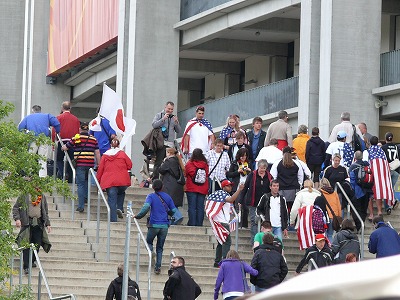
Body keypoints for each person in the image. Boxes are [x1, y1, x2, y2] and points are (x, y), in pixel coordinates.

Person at [134, 179, 177, 274]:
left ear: (153, 187)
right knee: (160, 247)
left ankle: (151, 251)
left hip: (154, 224)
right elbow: (174, 210)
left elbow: (146, 207)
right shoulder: (168, 197)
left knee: (148, 241)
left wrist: (138, 216)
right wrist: (167, 212)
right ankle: (158, 267)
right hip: (165, 225)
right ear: (162, 187)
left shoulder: (151, 196)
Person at [62, 122, 100, 212]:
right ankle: (85, 197)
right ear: (88, 130)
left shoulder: (76, 138)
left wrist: (63, 147)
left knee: (80, 184)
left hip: (80, 165)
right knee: (86, 181)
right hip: (90, 165)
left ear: (80, 129)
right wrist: (99, 164)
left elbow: (66, 147)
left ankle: (81, 205)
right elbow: (97, 153)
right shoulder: (93, 139)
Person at [207, 180, 244, 267]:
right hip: (222, 222)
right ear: (223, 187)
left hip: (219, 221)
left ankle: (217, 261)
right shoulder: (223, 194)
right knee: (227, 242)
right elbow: (231, 199)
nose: (230, 187)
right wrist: (239, 190)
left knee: (221, 242)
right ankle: (225, 260)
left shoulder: (218, 194)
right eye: (228, 186)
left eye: (231, 186)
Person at [13, 191, 51, 275]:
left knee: (37, 244)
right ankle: (26, 266)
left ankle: (32, 260)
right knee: (26, 244)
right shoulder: (24, 194)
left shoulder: (42, 195)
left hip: (38, 223)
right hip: (27, 222)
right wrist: (17, 219)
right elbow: (16, 208)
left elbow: (45, 210)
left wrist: (48, 223)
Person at [18, 104, 61, 177]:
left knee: (30, 157)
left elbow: (20, 128)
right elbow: (56, 123)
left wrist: (25, 136)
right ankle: (42, 177)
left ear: (33, 110)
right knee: (42, 159)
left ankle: (28, 175)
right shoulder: (47, 116)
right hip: (44, 139)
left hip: (32, 139)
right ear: (40, 110)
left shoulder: (28, 117)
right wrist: (57, 131)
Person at [96, 138, 132, 222]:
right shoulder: (122, 154)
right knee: (121, 192)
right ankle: (119, 207)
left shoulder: (105, 156)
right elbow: (130, 165)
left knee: (112, 199)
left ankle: (113, 219)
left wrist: (98, 181)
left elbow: (100, 169)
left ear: (110, 145)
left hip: (109, 181)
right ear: (118, 145)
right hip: (123, 180)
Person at [239, 159, 272, 242]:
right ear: (258, 167)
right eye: (261, 168)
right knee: (254, 221)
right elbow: (246, 187)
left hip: (265, 203)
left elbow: (272, 187)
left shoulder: (269, 176)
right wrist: (240, 199)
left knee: (265, 221)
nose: (262, 170)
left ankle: (264, 240)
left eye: (264, 168)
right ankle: (254, 241)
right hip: (253, 202)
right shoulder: (252, 175)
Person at [364, 136, 394, 219]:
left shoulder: (367, 152)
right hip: (381, 177)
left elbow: (365, 163)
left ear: (369, 142)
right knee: (379, 193)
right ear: (377, 142)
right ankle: (379, 211)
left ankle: (371, 214)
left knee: (370, 194)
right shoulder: (382, 152)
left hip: (370, 176)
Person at [270, 147, 303, 219]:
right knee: (293, 208)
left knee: (282, 208)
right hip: (294, 189)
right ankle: (292, 223)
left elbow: (273, 176)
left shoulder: (277, 163)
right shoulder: (297, 163)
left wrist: (276, 187)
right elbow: (301, 176)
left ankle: (284, 223)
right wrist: (299, 185)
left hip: (281, 189)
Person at [151, 101, 181, 179]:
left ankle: (165, 180)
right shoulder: (159, 115)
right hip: (161, 142)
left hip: (170, 144)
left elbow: (178, 131)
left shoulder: (174, 118)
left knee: (169, 162)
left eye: (171, 109)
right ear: (165, 107)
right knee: (159, 162)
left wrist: (177, 123)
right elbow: (154, 125)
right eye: (169, 109)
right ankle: (155, 180)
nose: (170, 111)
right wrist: (163, 119)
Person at [54, 101, 80, 182]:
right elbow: (78, 132)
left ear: (62, 108)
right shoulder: (76, 119)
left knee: (59, 159)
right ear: (70, 108)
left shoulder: (58, 117)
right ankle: (70, 178)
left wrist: (53, 142)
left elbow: (54, 130)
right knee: (71, 160)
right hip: (72, 142)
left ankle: (63, 174)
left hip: (61, 141)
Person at [348, 151, 373, 230]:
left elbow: (352, 180)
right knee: (364, 209)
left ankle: (359, 226)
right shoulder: (367, 165)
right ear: (362, 157)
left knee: (355, 209)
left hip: (358, 191)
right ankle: (362, 223)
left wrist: (352, 191)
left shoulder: (353, 166)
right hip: (367, 191)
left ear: (355, 158)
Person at [185, 148, 209, 226]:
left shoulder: (189, 164)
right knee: (200, 207)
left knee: (192, 207)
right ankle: (199, 224)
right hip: (203, 188)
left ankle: (192, 223)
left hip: (191, 188)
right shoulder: (205, 165)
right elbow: (207, 174)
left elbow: (186, 173)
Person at [381, 132, 400, 213]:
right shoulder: (396, 147)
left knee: (387, 189)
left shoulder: (383, 147)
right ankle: (394, 199)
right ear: (392, 138)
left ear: (385, 138)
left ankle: (388, 207)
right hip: (396, 170)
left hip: (387, 170)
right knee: (392, 188)